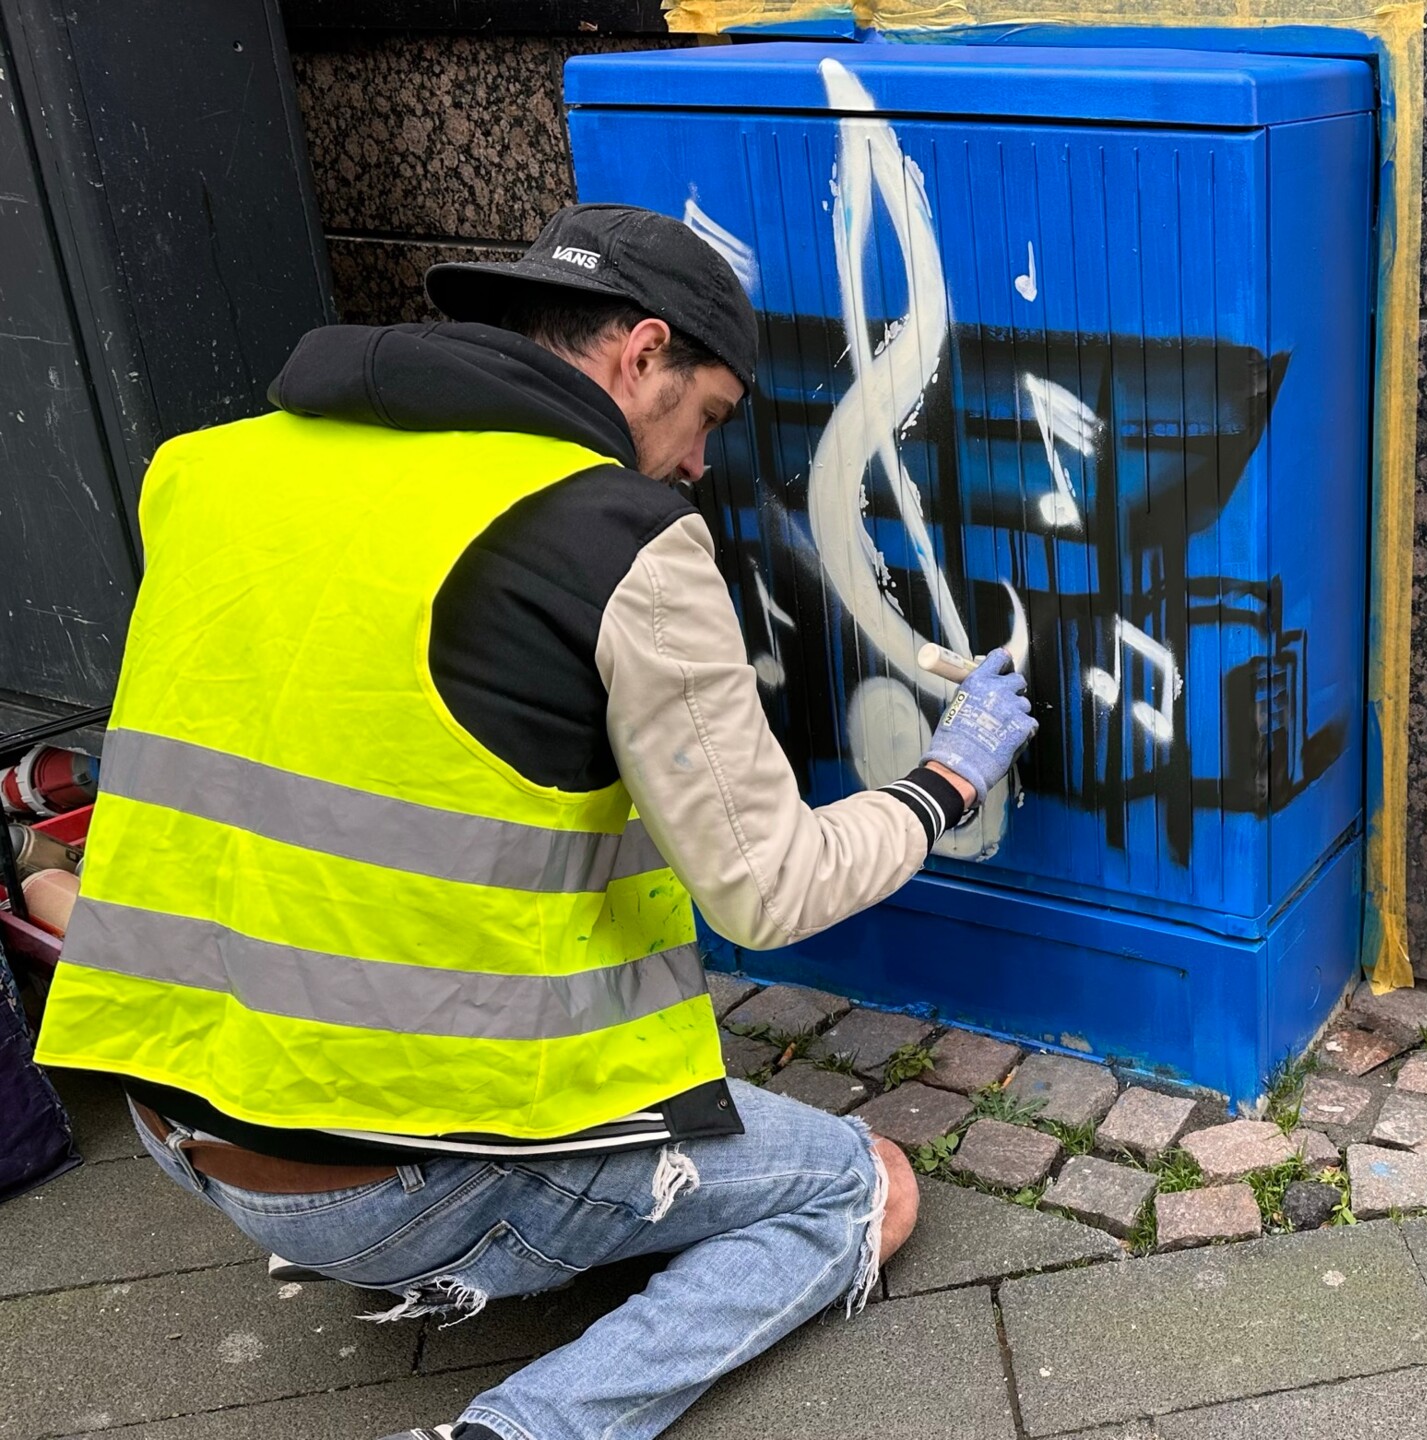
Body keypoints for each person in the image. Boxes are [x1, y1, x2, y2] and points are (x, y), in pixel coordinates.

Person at [31, 204, 1037, 1440]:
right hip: (383, 1180)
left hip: (172, 1111)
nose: (701, 466)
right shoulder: (612, 536)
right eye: (710, 416)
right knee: (854, 1190)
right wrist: (944, 784)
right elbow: (767, 893)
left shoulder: (210, 466)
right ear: (639, 353)